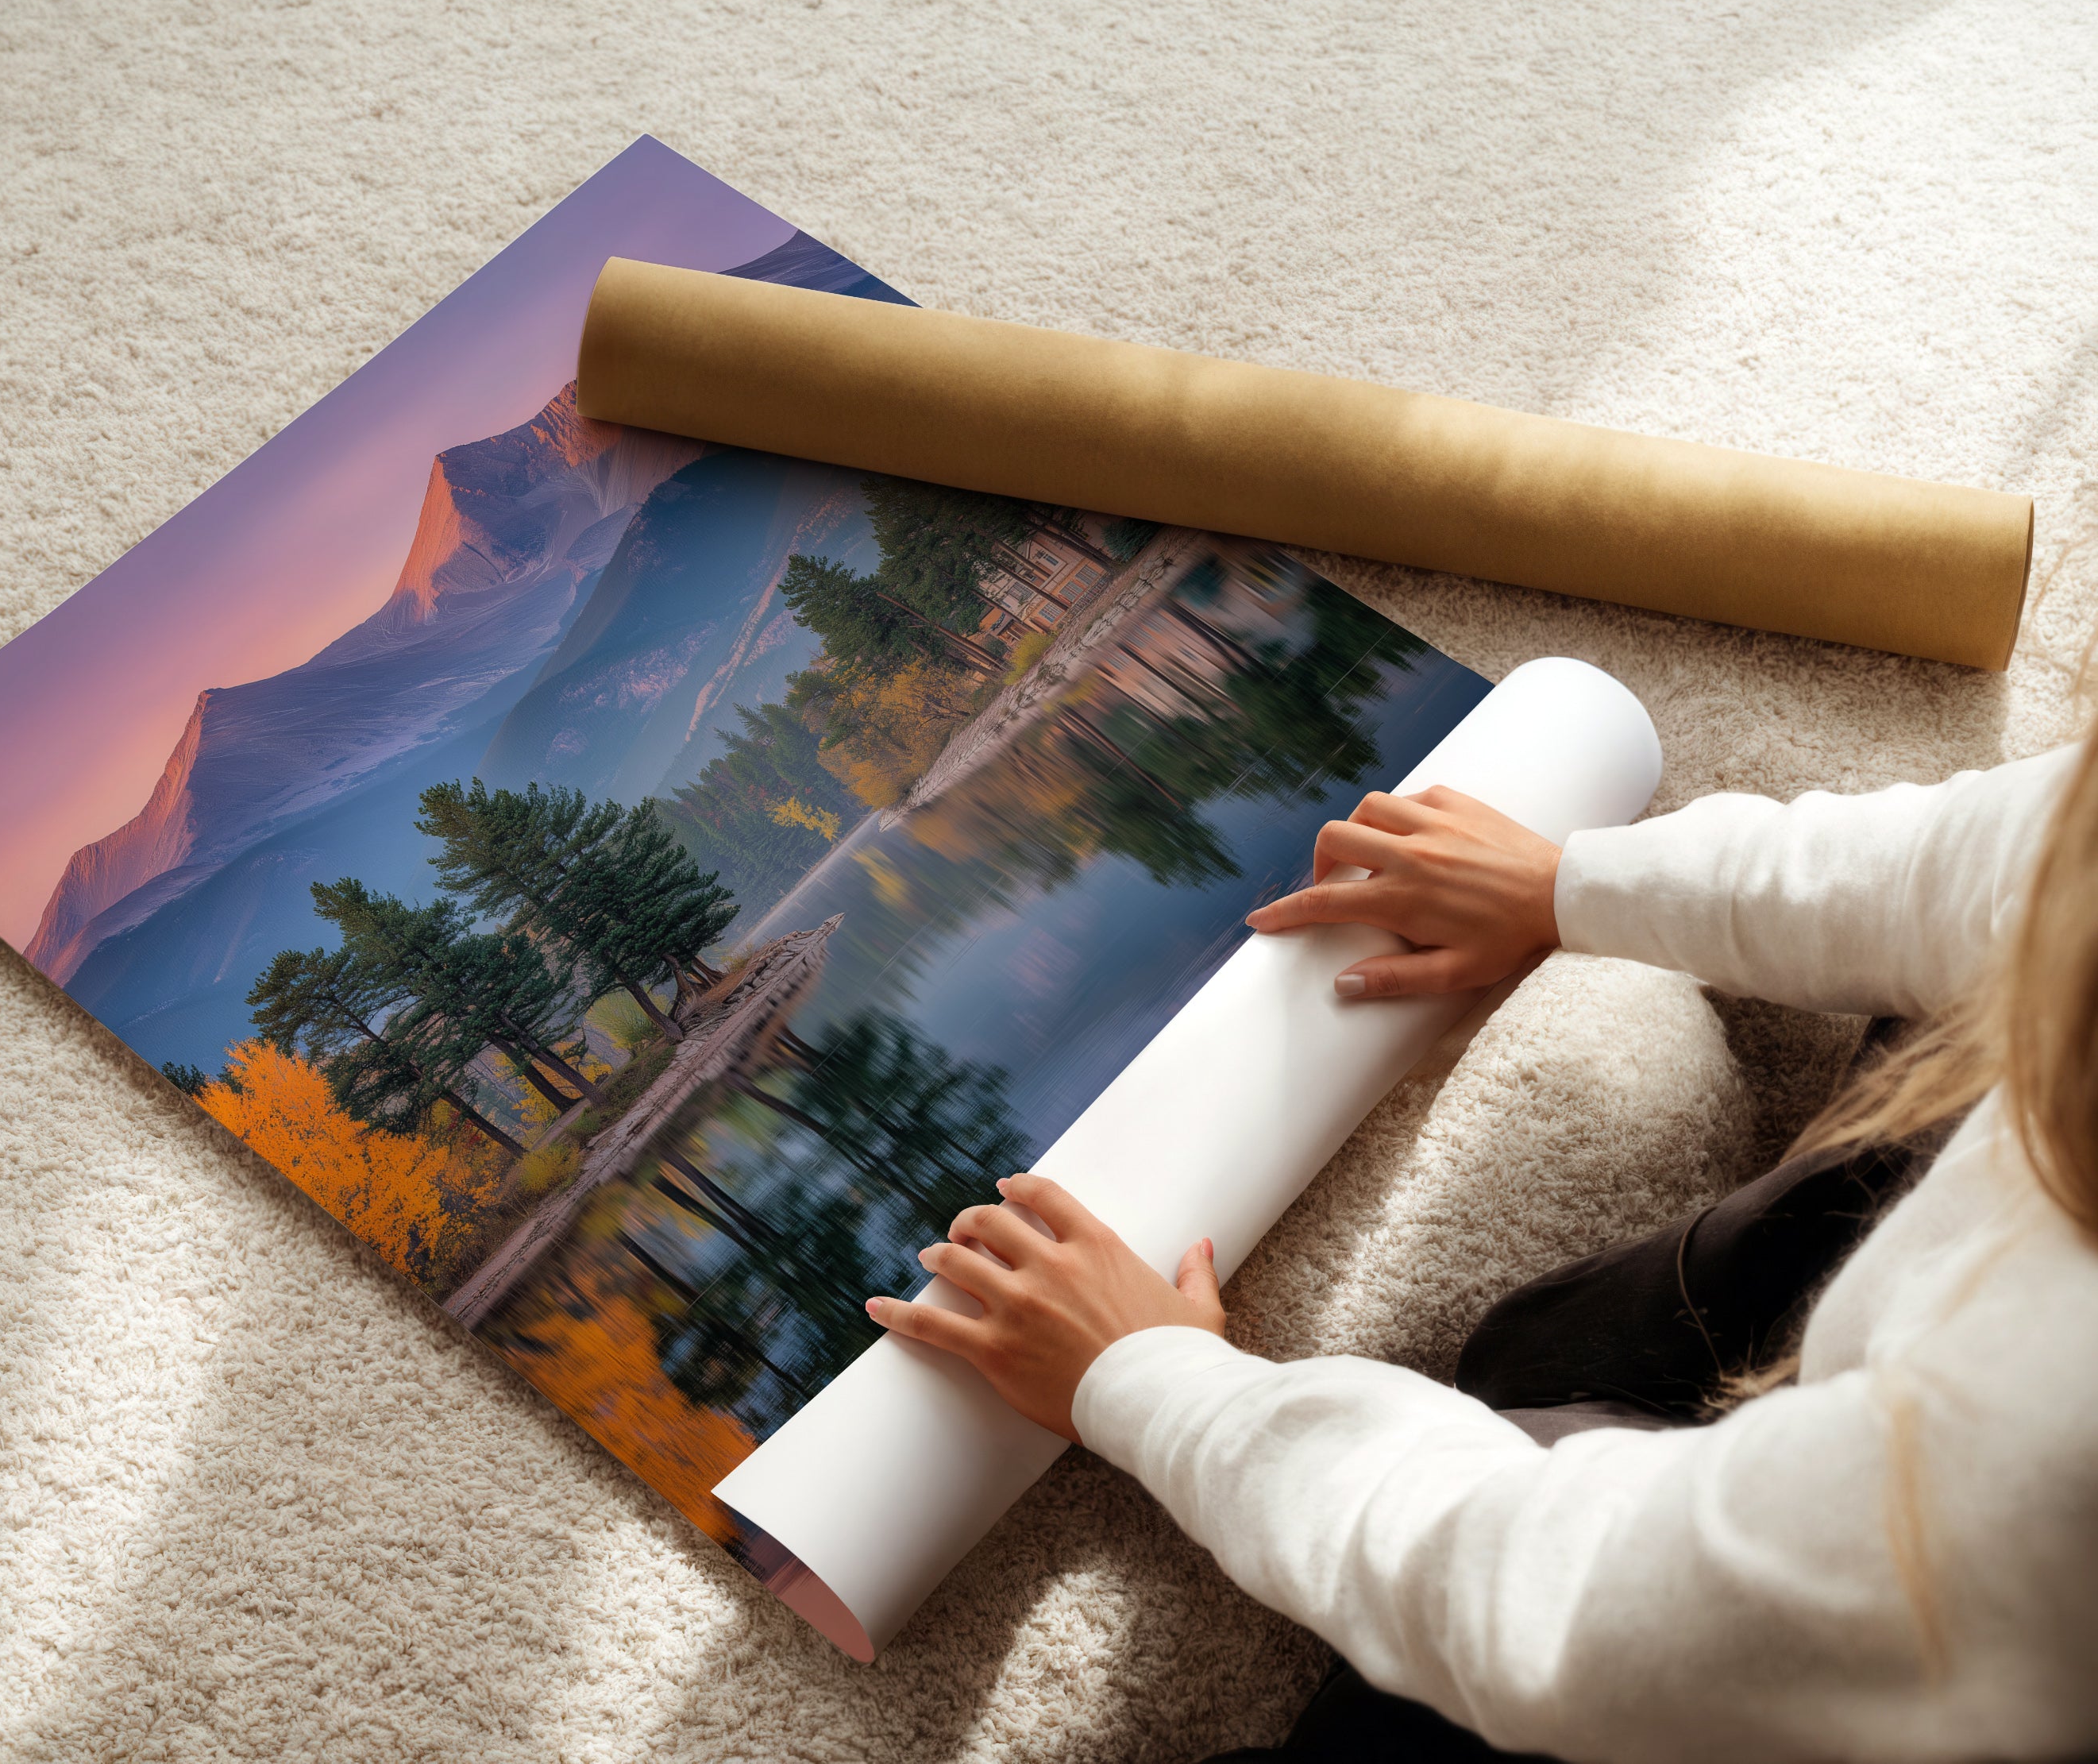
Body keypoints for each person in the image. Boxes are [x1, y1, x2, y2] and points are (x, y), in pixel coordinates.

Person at [866, 741, 2098, 1762]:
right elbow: (1998, 858)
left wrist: (1155, 1385)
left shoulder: (2040, 1455)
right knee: (1542, 1348)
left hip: (1924, 1646)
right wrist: (1568, 883)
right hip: (1927, 1412)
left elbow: (1567, 1605)